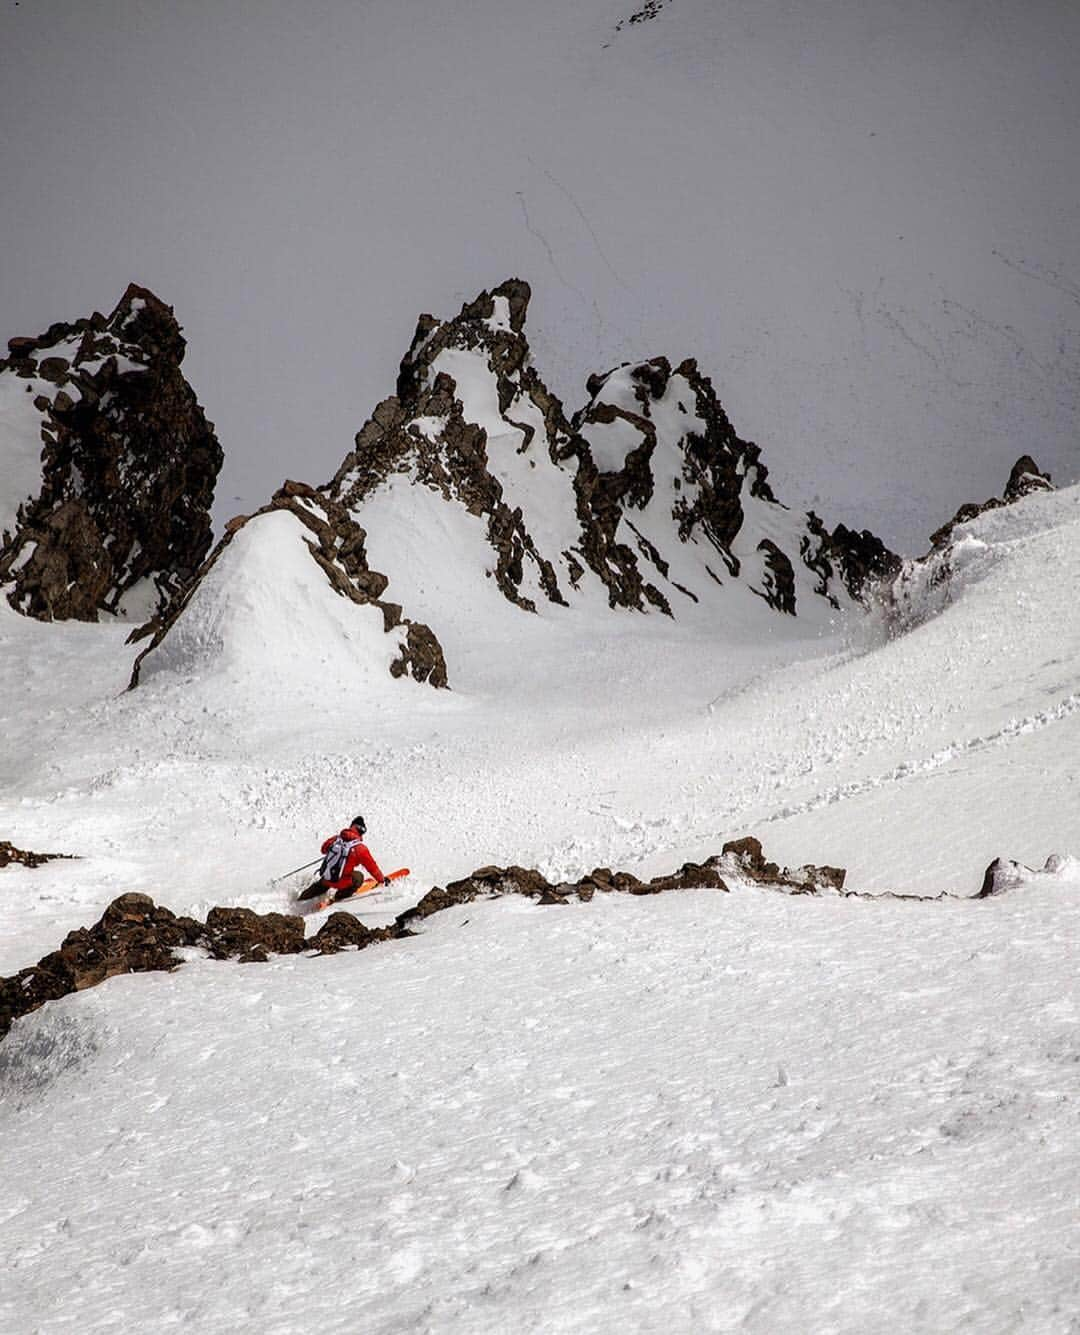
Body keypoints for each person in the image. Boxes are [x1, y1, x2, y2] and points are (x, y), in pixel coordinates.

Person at [297, 816, 390, 902]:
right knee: (359, 877)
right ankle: (338, 897)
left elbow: (323, 849)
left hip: (327, 877)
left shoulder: (336, 839)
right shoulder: (360, 849)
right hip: (342, 882)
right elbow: (372, 868)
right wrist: (382, 880)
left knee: (323, 883)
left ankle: (301, 898)